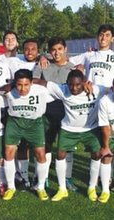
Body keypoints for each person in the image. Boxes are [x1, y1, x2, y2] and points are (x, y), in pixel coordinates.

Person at [35, 69, 107, 202]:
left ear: (84, 82)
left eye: (78, 85)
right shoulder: (62, 89)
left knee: (96, 155)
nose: (74, 88)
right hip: (68, 129)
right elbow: (42, 82)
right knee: (60, 155)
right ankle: (62, 189)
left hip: (90, 129)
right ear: (66, 83)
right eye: (71, 84)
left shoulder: (96, 90)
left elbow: (110, 89)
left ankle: (91, 187)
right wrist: (16, 83)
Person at [69, 23, 114, 188]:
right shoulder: (89, 56)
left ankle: (108, 176)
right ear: (97, 37)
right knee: (97, 141)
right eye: (101, 34)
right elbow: (66, 61)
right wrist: (44, 57)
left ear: (112, 38)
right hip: (91, 102)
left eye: (107, 35)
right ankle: (99, 176)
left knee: (111, 139)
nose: (103, 38)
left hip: (110, 101)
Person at [33, 37, 77, 191]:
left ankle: (67, 178)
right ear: (49, 51)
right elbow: (33, 81)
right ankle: (42, 177)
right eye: (53, 50)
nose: (56, 52)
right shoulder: (44, 64)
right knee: (46, 144)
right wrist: (41, 57)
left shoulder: (73, 69)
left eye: (59, 49)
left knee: (67, 147)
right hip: (47, 111)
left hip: (67, 112)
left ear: (65, 49)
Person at [2, 69, 52, 201]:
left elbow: (59, 90)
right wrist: (10, 86)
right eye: (19, 85)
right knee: (9, 152)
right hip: (15, 123)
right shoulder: (9, 91)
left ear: (31, 83)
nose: (22, 88)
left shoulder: (41, 90)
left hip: (35, 124)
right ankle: (11, 187)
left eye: (26, 85)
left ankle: (40, 187)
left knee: (41, 153)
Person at [97, 84, 114, 203]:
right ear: (113, 88)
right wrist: (106, 146)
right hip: (110, 133)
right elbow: (105, 126)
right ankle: (105, 190)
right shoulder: (104, 101)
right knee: (107, 156)